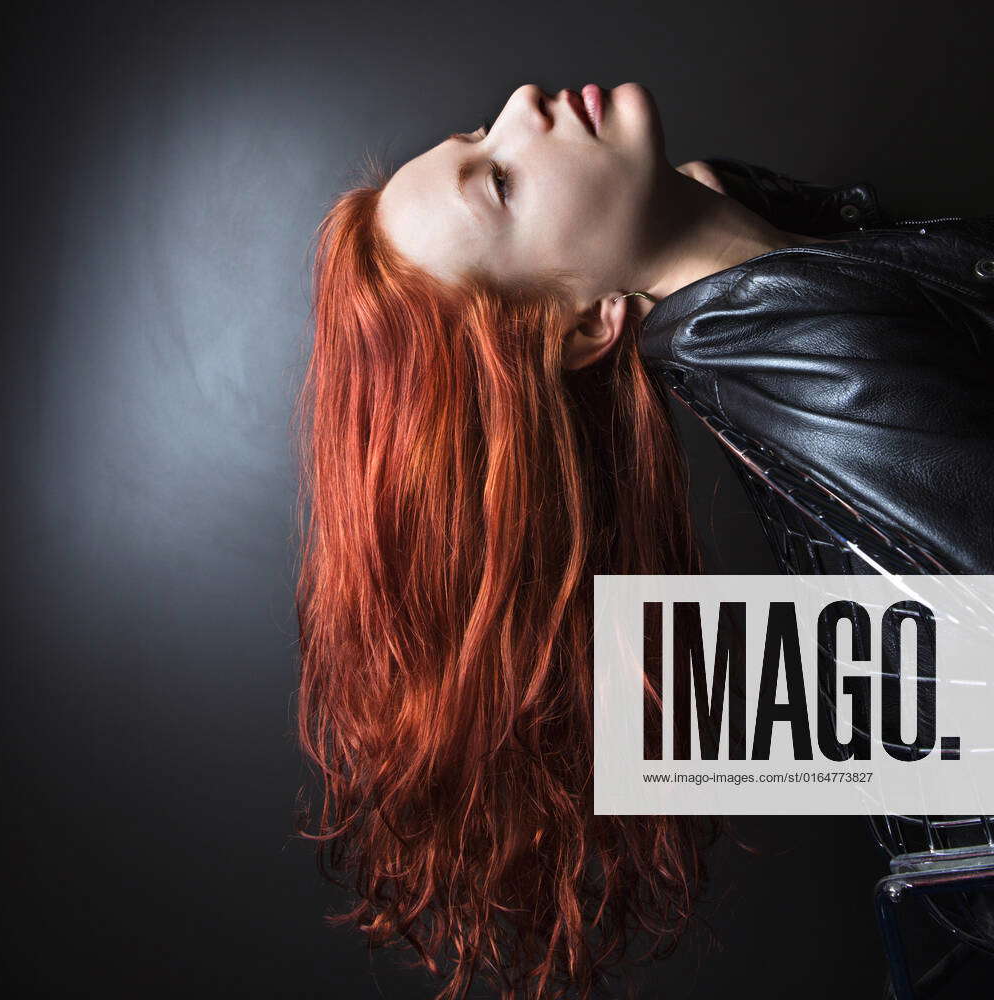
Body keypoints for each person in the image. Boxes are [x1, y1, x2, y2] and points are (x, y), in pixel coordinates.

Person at [292, 82, 994, 1000]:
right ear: (588, 324)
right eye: (501, 181)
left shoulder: (766, 308)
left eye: (475, 133)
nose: (519, 106)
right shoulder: (828, 373)